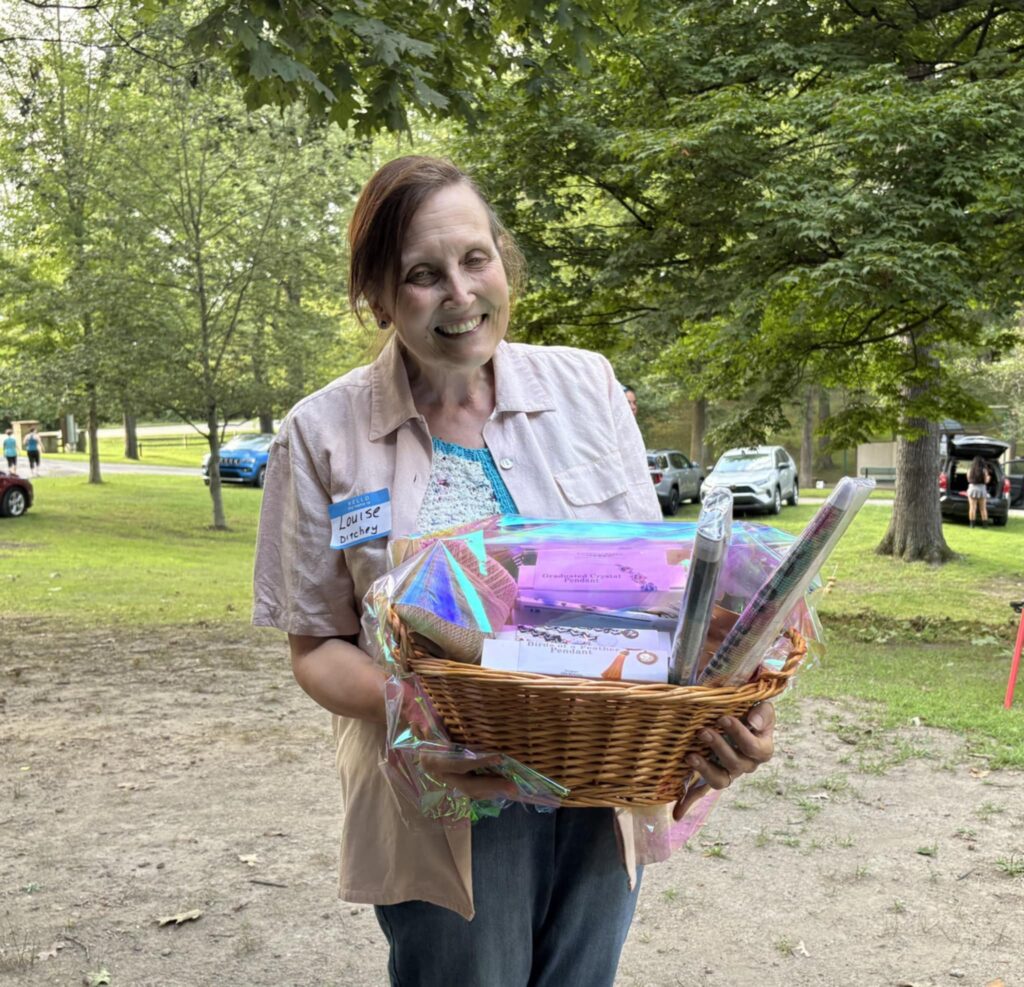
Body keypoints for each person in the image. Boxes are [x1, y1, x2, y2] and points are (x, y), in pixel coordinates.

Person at [253, 156, 777, 986]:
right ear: (380, 299)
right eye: (423, 275)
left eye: (475, 259)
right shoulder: (321, 434)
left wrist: (726, 709)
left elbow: (660, 594)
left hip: (600, 777)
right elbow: (315, 644)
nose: (460, 295)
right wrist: (422, 715)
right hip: (441, 793)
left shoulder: (587, 387)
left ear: (503, 259)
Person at [966, 455, 991, 528]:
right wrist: (988, 478)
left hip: (972, 488)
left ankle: (972, 524)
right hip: (981, 489)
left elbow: (968, 480)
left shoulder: (970, 470)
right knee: (983, 508)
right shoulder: (984, 470)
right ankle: (985, 524)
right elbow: (986, 481)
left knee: (972, 507)